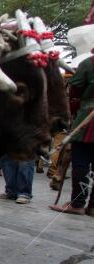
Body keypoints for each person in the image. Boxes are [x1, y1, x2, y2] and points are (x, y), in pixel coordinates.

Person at [50, 51, 94, 215]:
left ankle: (77, 203)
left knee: (81, 160)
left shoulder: (89, 63)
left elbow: (75, 92)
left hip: (88, 117)